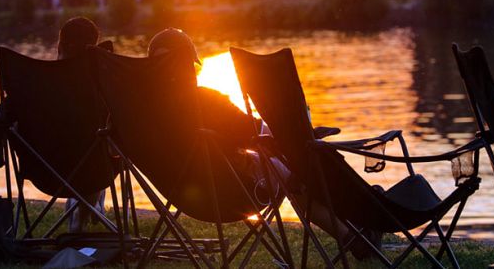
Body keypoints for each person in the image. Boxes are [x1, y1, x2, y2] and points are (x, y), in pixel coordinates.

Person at [146, 28, 381, 260]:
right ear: (188, 63)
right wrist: (303, 137)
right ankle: (357, 232)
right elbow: (257, 132)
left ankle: (356, 231)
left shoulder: (147, 110)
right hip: (232, 189)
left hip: (183, 192)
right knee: (296, 172)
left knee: (287, 161)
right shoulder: (205, 100)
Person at [0, 16, 107, 233]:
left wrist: (12, 130)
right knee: (101, 140)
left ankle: (81, 207)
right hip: (94, 174)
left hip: (44, 174)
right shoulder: (101, 90)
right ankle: (85, 209)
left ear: (59, 46)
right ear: (95, 52)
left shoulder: (31, 87)